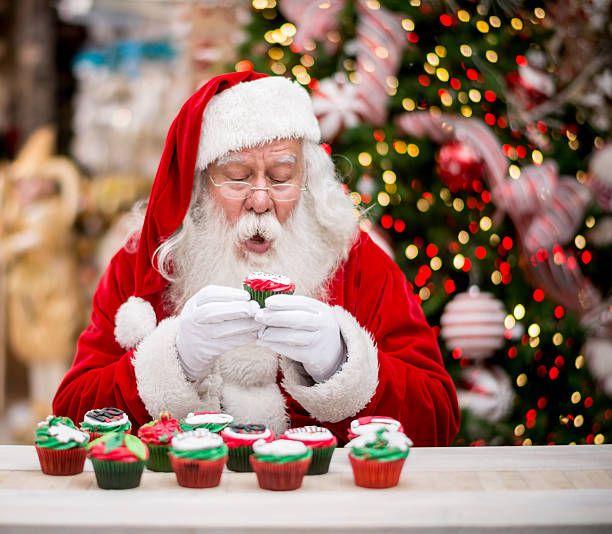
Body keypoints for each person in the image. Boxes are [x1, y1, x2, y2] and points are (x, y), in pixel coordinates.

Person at [53, 71, 460, 446]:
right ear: (201, 182)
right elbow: (71, 416)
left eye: (282, 177)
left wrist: (340, 365)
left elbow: (438, 419)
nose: (261, 200)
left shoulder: (352, 258)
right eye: (237, 176)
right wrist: (173, 361)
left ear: (308, 177)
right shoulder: (146, 263)